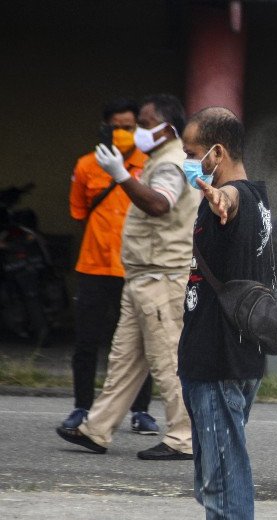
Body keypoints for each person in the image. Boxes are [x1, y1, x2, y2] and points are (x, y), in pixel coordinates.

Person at [56, 94, 198, 459]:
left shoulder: (171, 163)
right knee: (124, 361)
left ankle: (184, 438)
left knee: (168, 361)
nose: (137, 132)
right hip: (144, 276)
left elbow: (159, 204)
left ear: (167, 129)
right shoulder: (159, 159)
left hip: (161, 278)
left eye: (144, 125)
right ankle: (97, 430)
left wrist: (119, 175)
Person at [177, 107, 272, 520]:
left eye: (191, 153)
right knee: (218, 482)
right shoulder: (260, 197)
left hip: (219, 360)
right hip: (232, 357)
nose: (187, 162)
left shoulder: (235, 197)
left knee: (223, 488)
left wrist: (220, 198)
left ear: (217, 152)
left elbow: (228, 203)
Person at [63, 98, 158, 435]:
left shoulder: (151, 165)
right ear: (106, 128)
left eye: (129, 127)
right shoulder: (87, 165)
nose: (123, 133)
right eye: (117, 127)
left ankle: (141, 411)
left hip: (136, 267)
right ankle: (81, 408)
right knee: (86, 342)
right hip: (93, 267)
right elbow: (78, 211)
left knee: (141, 344)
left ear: (139, 129)